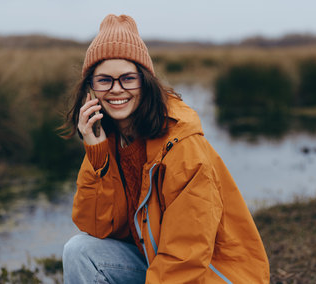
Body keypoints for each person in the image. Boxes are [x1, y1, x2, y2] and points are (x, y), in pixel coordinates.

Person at [61, 14, 269, 283]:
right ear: (90, 89)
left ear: (145, 82)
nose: (116, 89)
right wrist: (96, 153)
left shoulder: (181, 144)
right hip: (156, 261)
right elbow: (98, 227)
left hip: (214, 274)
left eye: (127, 78)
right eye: (104, 80)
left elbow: (186, 254)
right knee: (79, 252)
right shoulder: (106, 139)